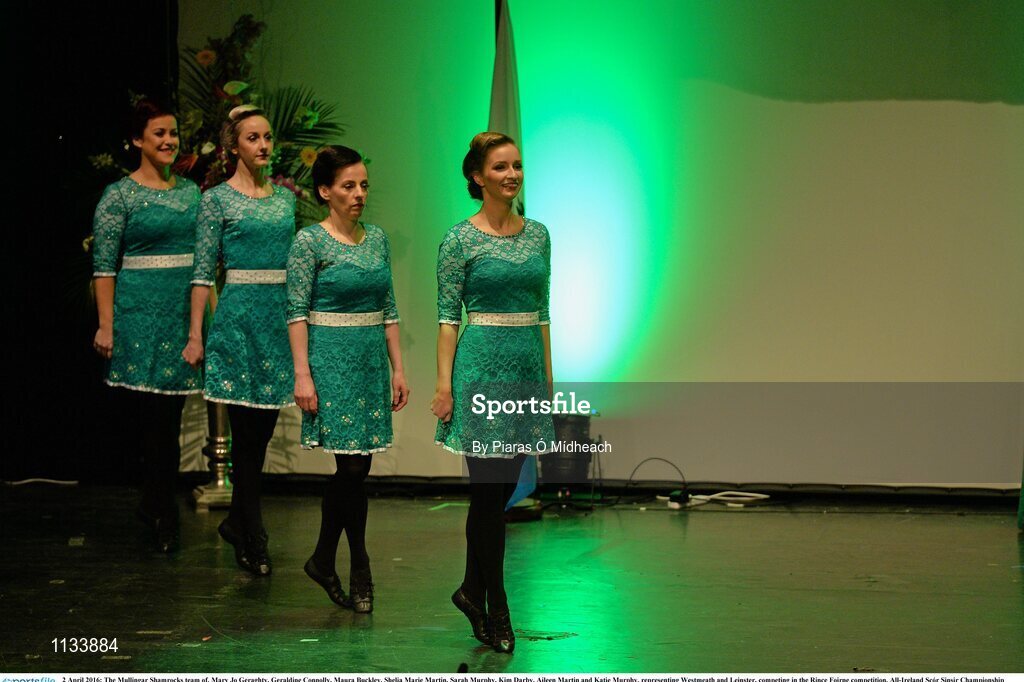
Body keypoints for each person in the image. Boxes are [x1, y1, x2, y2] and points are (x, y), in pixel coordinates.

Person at [431, 132, 554, 653]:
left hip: (524, 366)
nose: (512, 174)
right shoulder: (459, 240)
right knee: (487, 494)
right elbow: (446, 319)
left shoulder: (541, 235)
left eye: (517, 165)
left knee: (499, 491)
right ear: (478, 176)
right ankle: (497, 603)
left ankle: (469, 587)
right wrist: (444, 384)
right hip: (479, 367)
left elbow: (544, 314)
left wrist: (548, 382)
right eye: (500, 167)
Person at [286, 145, 409, 613]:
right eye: (348, 186)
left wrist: (398, 367)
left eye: (363, 185)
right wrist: (303, 375)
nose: (359, 194)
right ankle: (357, 561)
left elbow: (389, 309)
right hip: (330, 362)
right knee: (352, 468)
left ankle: (324, 557)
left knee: (358, 470)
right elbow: (296, 312)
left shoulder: (376, 239)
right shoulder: (309, 242)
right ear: (325, 191)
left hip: (369, 362)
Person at [182, 105, 295, 576]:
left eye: (268, 137)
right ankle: (254, 534)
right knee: (247, 435)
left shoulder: (285, 200)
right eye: (254, 138)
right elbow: (203, 271)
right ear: (234, 147)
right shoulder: (217, 201)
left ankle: (237, 521)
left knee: (260, 438)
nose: (264, 146)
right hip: (238, 321)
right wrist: (195, 334)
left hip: (278, 319)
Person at [91, 99, 202, 553]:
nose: (168, 141)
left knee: (170, 418)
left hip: (181, 313)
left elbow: (203, 261)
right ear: (138, 139)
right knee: (152, 420)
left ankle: (158, 505)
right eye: (158, 133)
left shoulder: (192, 193)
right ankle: (159, 507)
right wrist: (106, 324)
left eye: (173, 133)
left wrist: (203, 323)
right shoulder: (119, 195)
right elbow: (103, 265)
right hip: (139, 314)